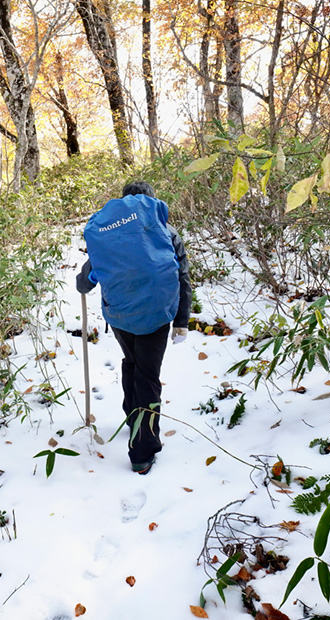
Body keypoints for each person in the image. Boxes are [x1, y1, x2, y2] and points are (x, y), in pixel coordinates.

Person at [76, 181, 192, 474]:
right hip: (157, 316)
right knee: (148, 376)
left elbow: (85, 281)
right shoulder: (167, 233)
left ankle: (133, 418)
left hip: (120, 317)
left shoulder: (110, 236)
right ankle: (142, 451)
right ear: (152, 202)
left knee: (132, 363)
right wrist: (180, 320)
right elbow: (183, 278)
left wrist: (85, 277)